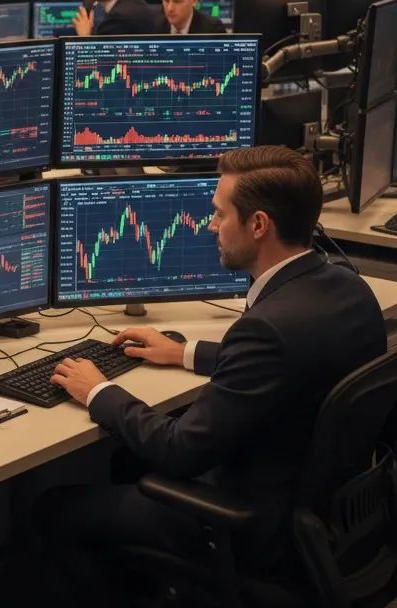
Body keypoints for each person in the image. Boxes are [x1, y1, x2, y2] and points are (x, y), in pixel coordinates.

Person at [38, 146, 385, 606]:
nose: (210, 226)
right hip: (334, 522)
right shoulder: (348, 287)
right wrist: (185, 352)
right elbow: (294, 360)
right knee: (126, 464)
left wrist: (99, 390)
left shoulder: (265, 330)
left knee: (53, 509)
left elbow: (180, 451)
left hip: (255, 532)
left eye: (220, 214)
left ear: (258, 224)